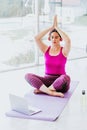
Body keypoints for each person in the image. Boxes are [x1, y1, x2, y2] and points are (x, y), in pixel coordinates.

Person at [25, 15, 71, 98]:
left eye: (56, 37)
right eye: (52, 37)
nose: (54, 39)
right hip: (47, 81)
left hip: (60, 83)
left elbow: (68, 40)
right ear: (49, 39)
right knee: (27, 76)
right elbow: (36, 38)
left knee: (66, 78)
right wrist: (51, 27)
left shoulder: (64, 51)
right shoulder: (46, 49)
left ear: (60, 39)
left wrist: (56, 28)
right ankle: (50, 92)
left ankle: (45, 90)